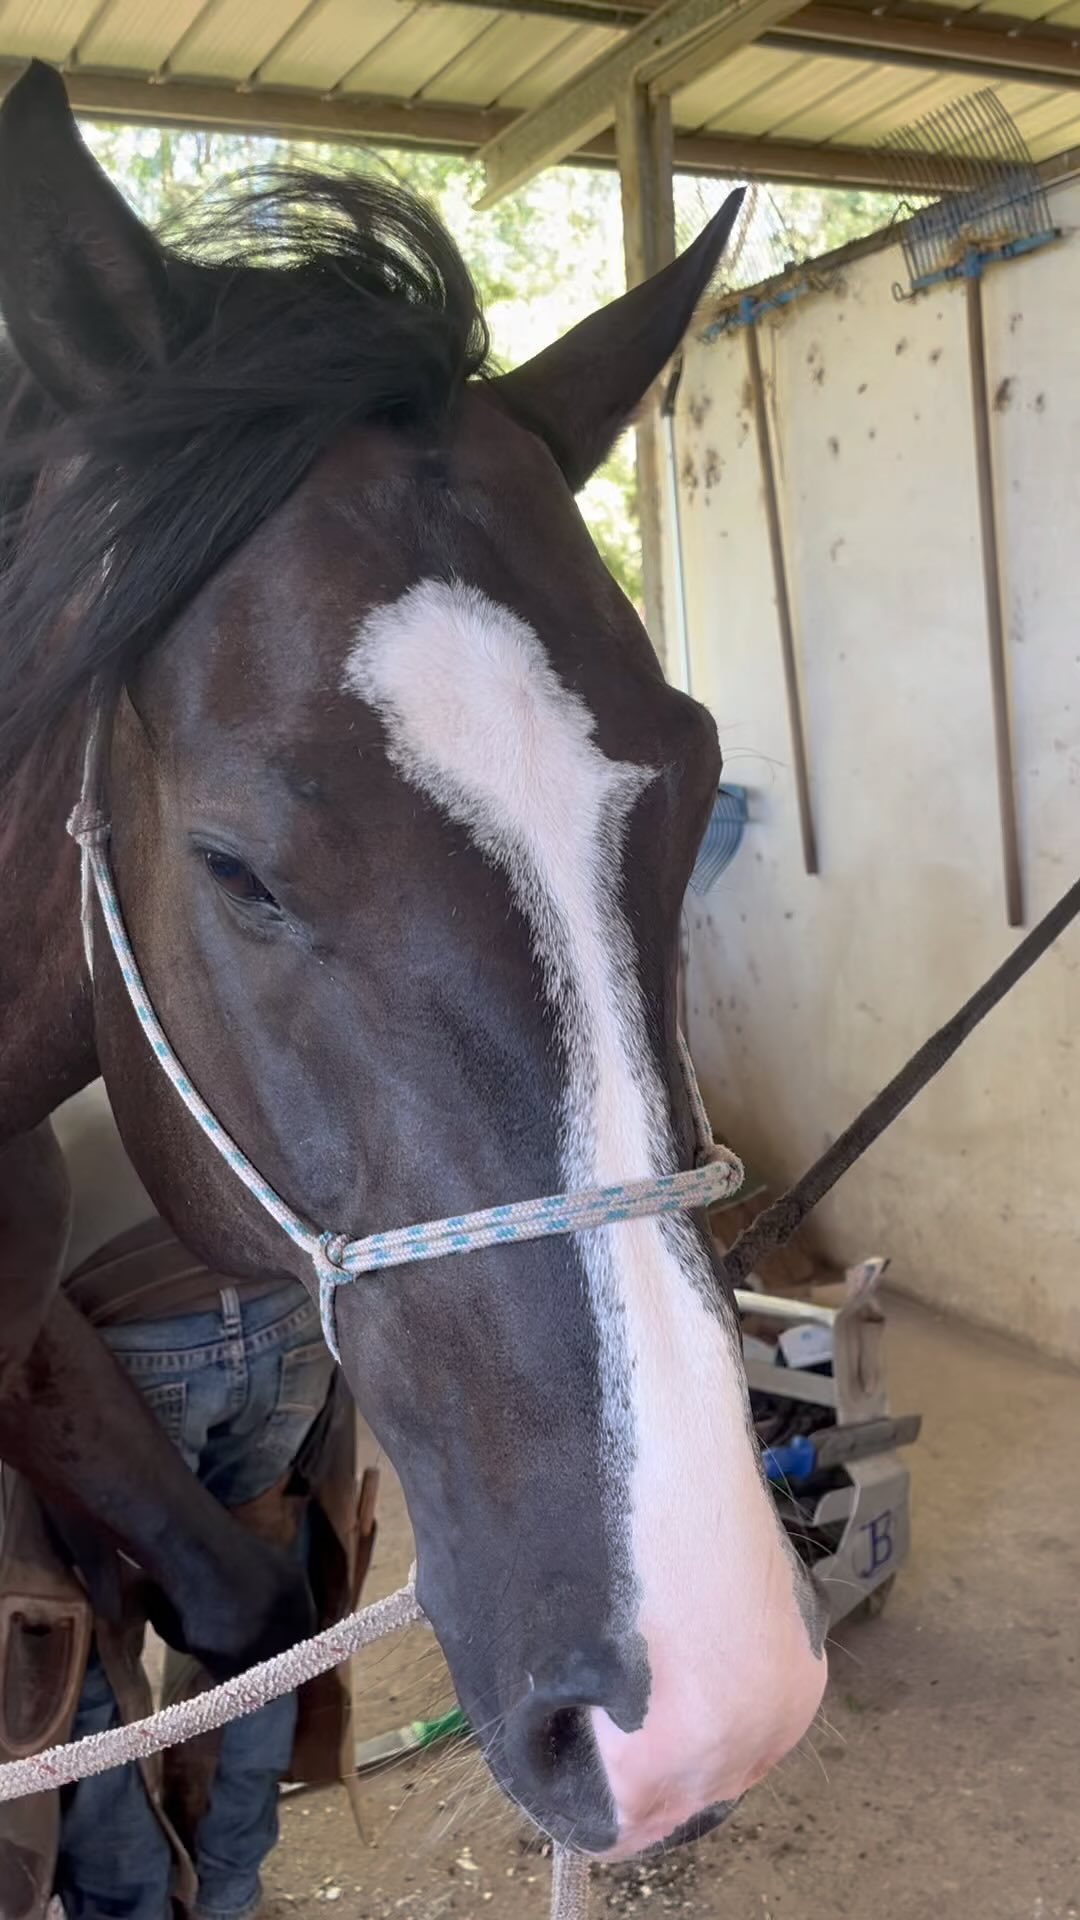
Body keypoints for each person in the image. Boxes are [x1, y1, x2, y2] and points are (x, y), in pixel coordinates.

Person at [0, 1081, 368, 1920]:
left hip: (108, 1327)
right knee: (258, 1615)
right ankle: (229, 1893)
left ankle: (127, 1905)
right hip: (280, 1295)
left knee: (85, 1646)